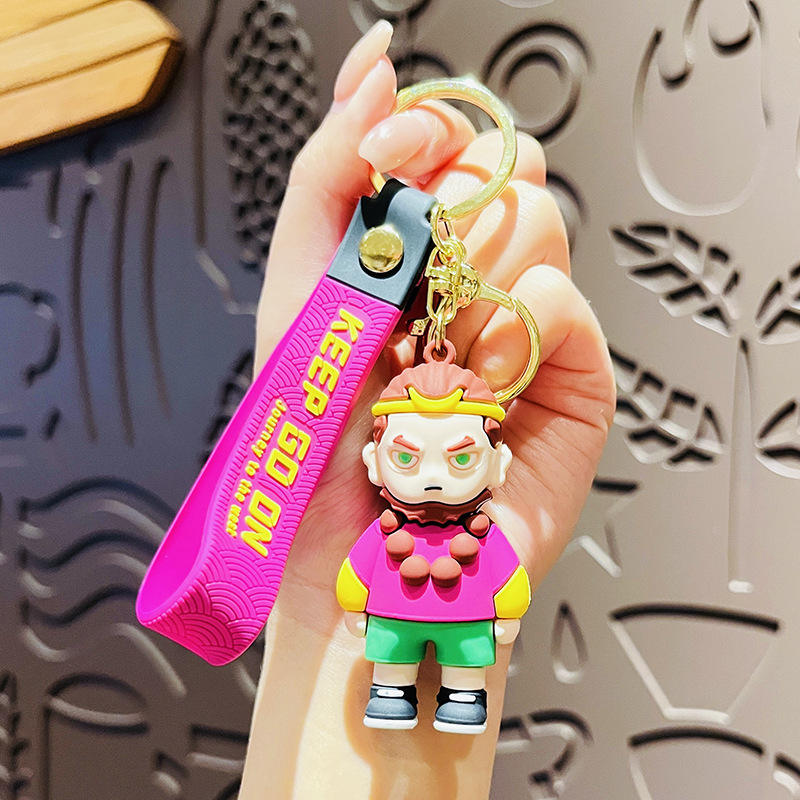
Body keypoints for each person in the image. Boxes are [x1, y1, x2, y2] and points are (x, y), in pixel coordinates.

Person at [239, 19, 615, 800]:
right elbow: (353, 584)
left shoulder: (480, 540)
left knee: (466, 667)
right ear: (374, 460)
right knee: (396, 661)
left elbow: (502, 586)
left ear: (497, 463)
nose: (436, 477)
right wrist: (326, 610)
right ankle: (394, 688)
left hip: (467, 629)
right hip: (389, 627)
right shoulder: (382, 539)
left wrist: (500, 616)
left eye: (459, 456)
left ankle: (460, 697)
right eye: (410, 457)